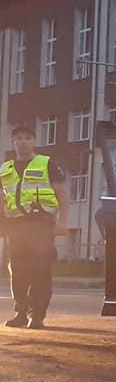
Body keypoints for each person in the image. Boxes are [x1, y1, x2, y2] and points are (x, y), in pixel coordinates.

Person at [1, 125, 68, 329]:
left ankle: (37, 315)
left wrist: (62, 222)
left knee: (40, 269)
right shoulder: (5, 168)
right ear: (13, 142)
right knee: (17, 270)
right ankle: (21, 312)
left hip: (41, 224)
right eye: (19, 138)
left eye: (28, 138)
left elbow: (62, 194)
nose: (23, 142)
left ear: (34, 141)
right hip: (15, 226)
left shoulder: (46, 164)